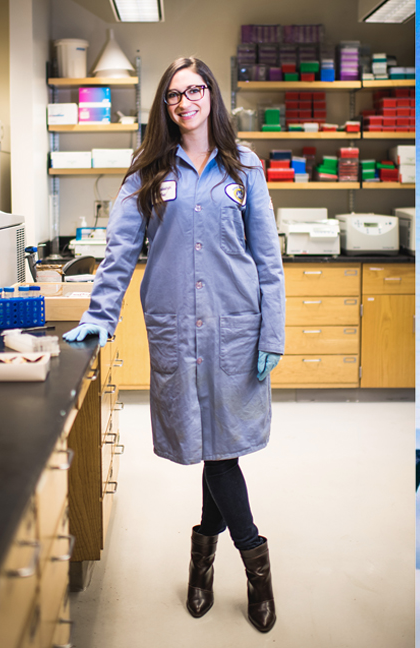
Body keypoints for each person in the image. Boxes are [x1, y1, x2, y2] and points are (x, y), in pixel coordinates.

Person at [63, 56, 285, 632]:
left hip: (236, 330)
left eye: (194, 89)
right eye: (173, 95)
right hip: (177, 330)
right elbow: (119, 254)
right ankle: (242, 561)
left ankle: (219, 562)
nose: (184, 101)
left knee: (220, 450)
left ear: (211, 94)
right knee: (215, 449)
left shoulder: (245, 168)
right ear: (164, 106)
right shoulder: (147, 172)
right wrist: (98, 315)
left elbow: (268, 260)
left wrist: (273, 329)